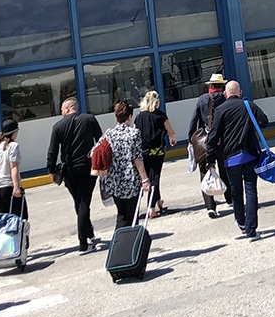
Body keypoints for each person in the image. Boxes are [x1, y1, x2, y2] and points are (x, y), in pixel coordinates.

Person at [205, 80, 269, 241]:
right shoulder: (248, 105)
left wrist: (210, 160)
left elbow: (212, 137)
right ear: (239, 93)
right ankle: (251, 229)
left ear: (226, 94)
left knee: (236, 192)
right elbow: (264, 121)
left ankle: (241, 223)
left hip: (230, 159)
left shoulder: (220, 110)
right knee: (251, 190)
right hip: (249, 155)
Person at [47, 97, 103, 254]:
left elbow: (52, 151)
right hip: (87, 167)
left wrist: (51, 170)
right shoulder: (90, 120)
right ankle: (83, 242)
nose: (61, 112)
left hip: (69, 170)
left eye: (62, 109)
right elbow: (100, 142)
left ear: (67, 108)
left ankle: (88, 234)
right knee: (84, 202)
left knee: (79, 202)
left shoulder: (58, 126)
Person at [102, 100, 152, 229]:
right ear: (130, 117)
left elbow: (96, 152)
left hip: (115, 181)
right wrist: (145, 179)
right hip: (131, 181)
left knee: (121, 214)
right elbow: (137, 158)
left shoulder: (109, 134)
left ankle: (119, 244)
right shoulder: (133, 134)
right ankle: (131, 243)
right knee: (133, 215)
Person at [188, 73, 232, 219]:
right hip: (222, 140)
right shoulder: (225, 98)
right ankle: (229, 198)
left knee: (205, 172)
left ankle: (210, 206)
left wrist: (191, 139)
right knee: (224, 168)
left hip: (206, 142)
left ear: (211, 86)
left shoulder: (202, 99)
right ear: (222, 86)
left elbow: (194, 120)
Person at [134, 90, 178, 218]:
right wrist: (173, 139)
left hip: (143, 153)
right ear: (156, 102)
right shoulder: (160, 116)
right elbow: (171, 131)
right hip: (157, 152)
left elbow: (134, 133)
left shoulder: (139, 117)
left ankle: (158, 201)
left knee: (150, 176)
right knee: (154, 178)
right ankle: (151, 208)